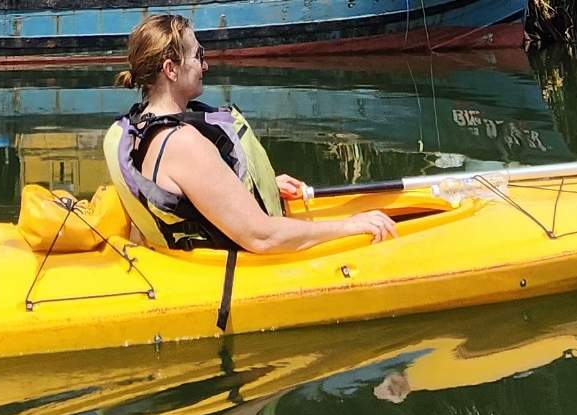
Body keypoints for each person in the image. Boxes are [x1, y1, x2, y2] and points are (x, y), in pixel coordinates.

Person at [102, 15, 395, 254]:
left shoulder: (141, 125)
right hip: (229, 273)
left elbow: (188, 193)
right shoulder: (182, 143)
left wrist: (255, 184)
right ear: (171, 69)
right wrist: (350, 225)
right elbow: (261, 237)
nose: (205, 65)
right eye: (198, 55)